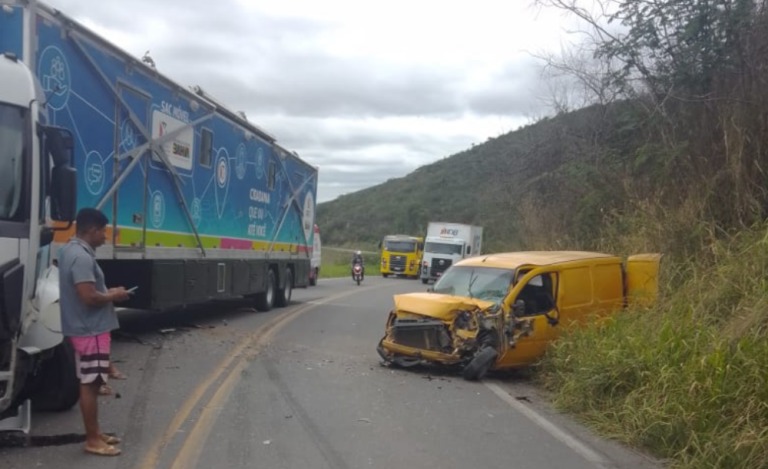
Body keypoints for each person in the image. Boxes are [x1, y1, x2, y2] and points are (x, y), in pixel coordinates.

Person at [58, 208, 131, 457]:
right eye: (103, 231)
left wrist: (108, 290)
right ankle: (92, 440)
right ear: (92, 230)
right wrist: (115, 295)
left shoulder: (69, 250)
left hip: (84, 328)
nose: (105, 236)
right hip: (91, 330)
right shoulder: (81, 257)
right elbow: (88, 297)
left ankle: (95, 433)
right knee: (91, 384)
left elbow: (88, 289)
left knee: (91, 381)